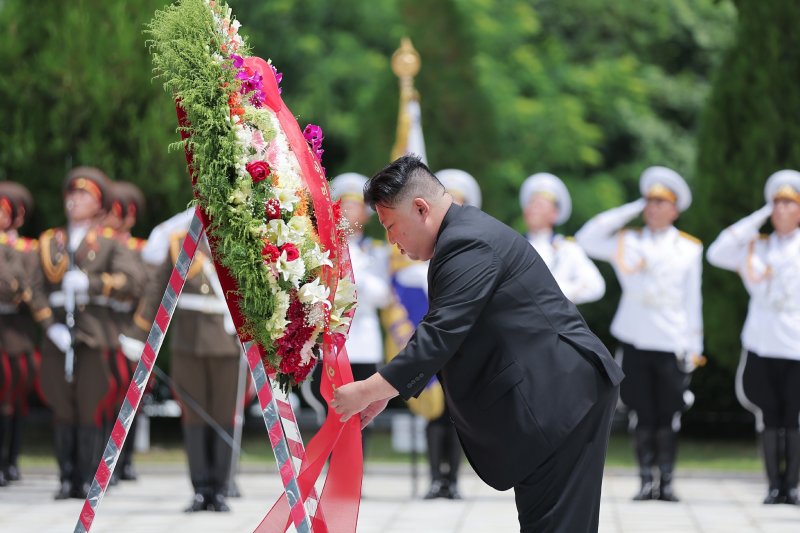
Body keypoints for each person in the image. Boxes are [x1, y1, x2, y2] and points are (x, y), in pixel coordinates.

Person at [332, 155, 623, 533]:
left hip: (561, 396)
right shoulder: (461, 236)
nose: (391, 241)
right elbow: (450, 333)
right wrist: (386, 393)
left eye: (392, 226)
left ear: (420, 208)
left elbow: (441, 333)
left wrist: (368, 389)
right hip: (556, 395)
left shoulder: (466, 242)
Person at [575, 166, 703, 503]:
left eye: (662, 202)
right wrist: (632, 207)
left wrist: (694, 346)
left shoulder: (689, 248)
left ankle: (668, 481)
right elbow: (588, 237)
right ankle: (646, 480)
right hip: (634, 336)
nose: (655, 208)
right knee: (641, 412)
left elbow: (693, 300)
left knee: (669, 414)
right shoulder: (627, 239)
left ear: (676, 209)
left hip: (672, 339)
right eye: (651, 201)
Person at [28, 167, 143, 499]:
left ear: (99, 205)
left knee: (91, 405)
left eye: (85, 196)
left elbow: (131, 281)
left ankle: (88, 477)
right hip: (58, 336)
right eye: (72, 195)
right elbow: (34, 288)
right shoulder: (51, 241)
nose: (75, 201)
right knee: (62, 406)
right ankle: (66, 477)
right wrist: (51, 327)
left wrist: (92, 283)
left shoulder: (108, 243)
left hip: (95, 335)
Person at [121, 207, 240, 513]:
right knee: (194, 416)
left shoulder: (238, 241)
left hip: (227, 343)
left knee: (223, 415)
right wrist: (138, 335)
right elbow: (155, 294)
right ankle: (200, 488)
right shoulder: (179, 243)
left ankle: (221, 488)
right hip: (188, 344)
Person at [706, 170, 800, 505]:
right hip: (762, 343)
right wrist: (759, 215)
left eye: (788, 203)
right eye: (776, 204)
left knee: (795, 417)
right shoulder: (755, 247)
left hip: (796, 346)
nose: (781, 210)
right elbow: (716, 252)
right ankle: (774, 487)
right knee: (770, 415)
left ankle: (794, 486)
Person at [323, 173, 392, 454]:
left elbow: (385, 295)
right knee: (331, 406)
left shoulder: (377, 251)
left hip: (363, 338)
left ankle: (356, 465)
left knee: (364, 409)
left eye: (355, 206)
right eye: (344, 205)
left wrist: (356, 279)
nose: (350, 211)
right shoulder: (325, 248)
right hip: (334, 340)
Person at [102, 181, 148, 483]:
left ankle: (126, 459)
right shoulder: (98, 244)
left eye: (115, 212)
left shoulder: (141, 249)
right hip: (104, 323)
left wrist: (138, 330)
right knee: (105, 394)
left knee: (132, 397)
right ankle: (107, 462)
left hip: (131, 325)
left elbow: (147, 291)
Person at [0, 182, 38, 485]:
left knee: (14, 398)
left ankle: (9, 460)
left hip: (15, 328)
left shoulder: (26, 249)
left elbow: (26, 288)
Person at [519, 173, 605, 304]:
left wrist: (553, 292)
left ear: (554, 214)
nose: (533, 209)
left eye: (540, 205)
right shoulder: (514, 245)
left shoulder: (568, 248)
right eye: (531, 203)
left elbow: (596, 287)